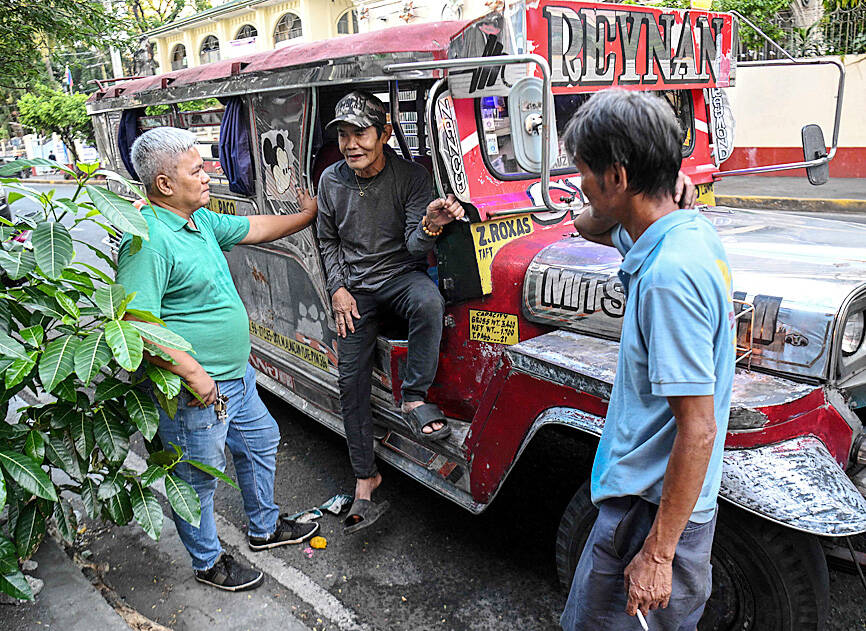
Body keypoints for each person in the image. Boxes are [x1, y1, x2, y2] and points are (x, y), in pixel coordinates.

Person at [559, 90, 735, 630]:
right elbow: (587, 224)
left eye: (584, 173)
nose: (579, 187)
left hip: (651, 513)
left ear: (616, 176)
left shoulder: (667, 277)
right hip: (656, 504)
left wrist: (658, 554)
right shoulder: (684, 230)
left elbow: (698, 430)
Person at [116, 127, 320, 592]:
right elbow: (134, 323)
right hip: (195, 389)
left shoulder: (200, 221)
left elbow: (258, 229)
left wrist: (305, 215)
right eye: (197, 170)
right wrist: (193, 373)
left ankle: (264, 528)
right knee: (196, 480)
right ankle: (208, 563)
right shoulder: (147, 239)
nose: (209, 175)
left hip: (236, 378)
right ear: (165, 184)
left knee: (261, 441)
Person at [316, 91, 464, 534]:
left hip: (400, 276)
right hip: (355, 290)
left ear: (384, 134)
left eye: (360, 133)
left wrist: (430, 225)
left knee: (429, 301)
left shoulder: (411, 177)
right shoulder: (331, 180)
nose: (350, 144)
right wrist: (338, 288)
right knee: (349, 379)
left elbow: (417, 246)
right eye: (343, 135)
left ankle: (414, 395)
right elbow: (328, 241)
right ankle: (366, 477)